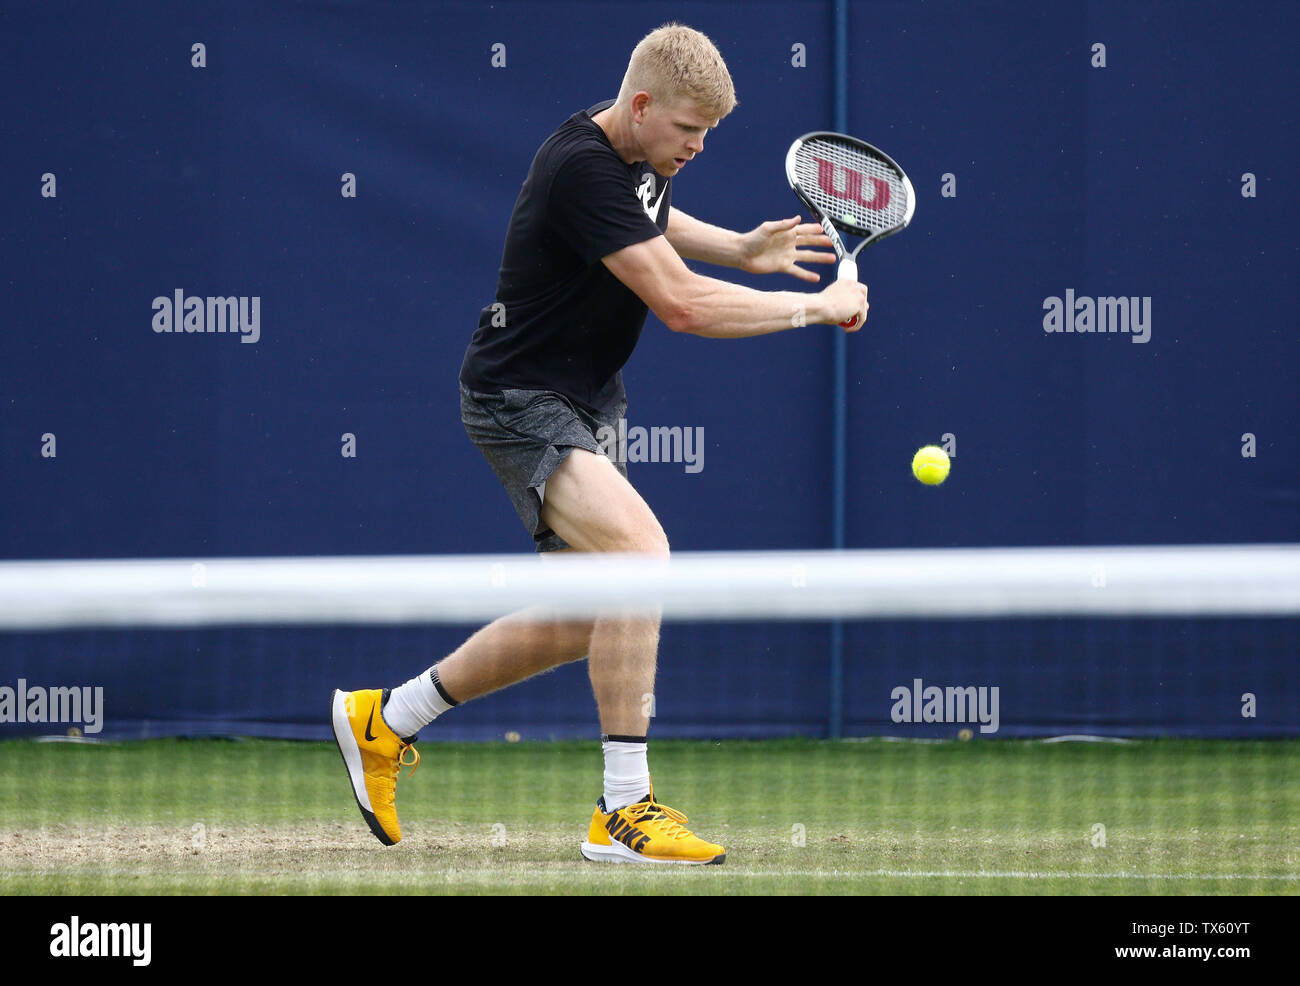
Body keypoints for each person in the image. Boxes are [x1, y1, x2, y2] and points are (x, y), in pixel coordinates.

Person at [331, 23, 867, 865]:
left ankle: (385, 720)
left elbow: (650, 216)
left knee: (590, 615)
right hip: (519, 400)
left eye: (708, 135)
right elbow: (684, 307)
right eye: (688, 129)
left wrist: (741, 247)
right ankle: (624, 810)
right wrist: (813, 308)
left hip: (585, 396)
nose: (696, 146)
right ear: (643, 105)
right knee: (641, 558)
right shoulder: (581, 165)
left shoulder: (630, 154)